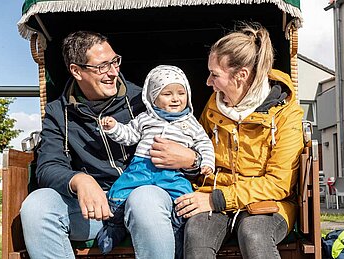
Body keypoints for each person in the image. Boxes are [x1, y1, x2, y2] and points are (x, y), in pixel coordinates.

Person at [19, 31, 197, 259]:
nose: (114, 72)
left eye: (114, 61)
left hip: (148, 203)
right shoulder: (57, 112)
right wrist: (79, 180)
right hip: (96, 208)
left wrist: (194, 160)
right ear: (76, 71)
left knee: (144, 199)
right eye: (102, 66)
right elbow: (48, 166)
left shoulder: (143, 101)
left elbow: (189, 135)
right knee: (37, 206)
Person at [173, 23, 305, 258]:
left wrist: (219, 199)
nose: (207, 83)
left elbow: (278, 184)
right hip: (214, 194)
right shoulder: (213, 106)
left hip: (268, 201)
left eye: (215, 75)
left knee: (253, 233)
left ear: (241, 75)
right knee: (196, 234)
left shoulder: (286, 113)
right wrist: (191, 161)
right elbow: (201, 158)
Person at [96, 65, 215, 254]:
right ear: (153, 98)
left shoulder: (191, 123)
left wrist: (207, 163)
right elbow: (129, 135)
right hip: (141, 167)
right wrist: (113, 128)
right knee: (118, 191)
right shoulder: (145, 118)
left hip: (172, 174)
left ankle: (178, 230)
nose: (176, 98)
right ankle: (114, 225)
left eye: (181, 93)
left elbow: (204, 144)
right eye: (167, 94)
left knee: (184, 197)